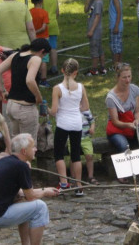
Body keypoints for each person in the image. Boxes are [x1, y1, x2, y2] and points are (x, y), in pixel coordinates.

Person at [0, 133, 60, 244]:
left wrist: (46, 189)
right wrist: (45, 192)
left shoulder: (6, 161)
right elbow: (31, 196)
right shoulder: (21, 166)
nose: (36, 149)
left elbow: (23, 193)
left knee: (24, 202)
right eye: (32, 147)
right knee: (40, 207)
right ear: (24, 151)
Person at [105, 63, 139, 184]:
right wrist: (128, 125)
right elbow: (115, 121)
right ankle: (122, 172)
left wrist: (137, 120)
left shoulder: (135, 90)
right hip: (118, 127)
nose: (127, 80)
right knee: (123, 145)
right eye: (124, 77)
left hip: (131, 122)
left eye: (129, 76)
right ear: (117, 78)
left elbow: (137, 111)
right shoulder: (111, 97)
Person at [0, 38, 51, 141]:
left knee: (16, 143)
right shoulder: (35, 59)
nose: (43, 58)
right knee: (28, 144)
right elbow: (30, 80)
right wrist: (38, 96)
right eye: (44, 55)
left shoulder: (14, 55)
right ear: (42, 51)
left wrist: (3, 91)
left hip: (11, 105)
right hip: (25, 108)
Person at [49, 58, 89, 195]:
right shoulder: (81, 87)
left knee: (59, 153)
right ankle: (78, 186)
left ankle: (64, 183)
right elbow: (85, 107)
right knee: (76, 155)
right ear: (76, 72)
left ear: (62, 71)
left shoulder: (57, 88)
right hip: (77, 123)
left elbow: (54, 111)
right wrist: (76, 107)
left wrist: (47, 110)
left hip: (63, 124)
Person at [37, 0, 60, 75]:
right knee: (53, 47)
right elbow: (57, 12)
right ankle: (54, 67)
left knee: (44, 47)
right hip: (54, 24)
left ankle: (42, 68)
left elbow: (40, 11)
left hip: (45, 25)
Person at [84, 0, 107, 75]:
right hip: (94, 30)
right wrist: (88, 0)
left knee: (95, 50)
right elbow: (85, 10)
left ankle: (94, 69)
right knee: (99, 49)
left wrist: (91, 31)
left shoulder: (98, 3)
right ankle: (102, 68)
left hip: (95, 31)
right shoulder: (93, 0)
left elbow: (97, 17)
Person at [29, 0, 51, 88]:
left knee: (33, 59)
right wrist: (37, 32)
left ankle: (34, 78)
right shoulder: (44, 13)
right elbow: (43, 27)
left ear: (32, 1)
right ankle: (43, 80)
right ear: (42, 1)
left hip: (33, 39)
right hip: (44, 39)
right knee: (43, 60)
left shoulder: (29, 12)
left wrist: (33, 33)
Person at [104, 0, 123, 65]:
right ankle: (118, 64)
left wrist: (116, 26)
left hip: (116, 27)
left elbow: (119, 12)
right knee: (117, 46)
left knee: (115, 47)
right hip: (114, 26)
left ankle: (116, 64)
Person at [80, 108, 99, 185]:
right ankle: (73, 177)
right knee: (74, 157)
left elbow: (92, 122)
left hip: (86, 138)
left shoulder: (85, 110)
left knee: (89, 155)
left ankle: (90, 176)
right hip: (73, 138)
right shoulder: (70, 110)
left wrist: (92, 128)